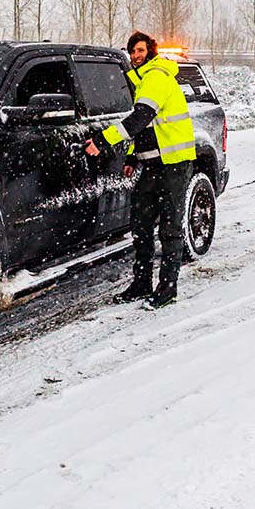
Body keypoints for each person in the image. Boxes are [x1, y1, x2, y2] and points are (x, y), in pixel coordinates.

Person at [84, 31, 197, 309]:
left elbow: (140, 118)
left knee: (170, 227)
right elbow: (148, 129)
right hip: (153, 164)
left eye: (141, 50)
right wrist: (133, 157)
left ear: (151, 51)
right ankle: (141, 283)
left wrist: (101, 141)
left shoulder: (156, 76)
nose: (136, 56)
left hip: (174, 164)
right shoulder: (143, 80)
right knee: (141, 224)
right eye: (133, 51)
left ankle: (167, 287)